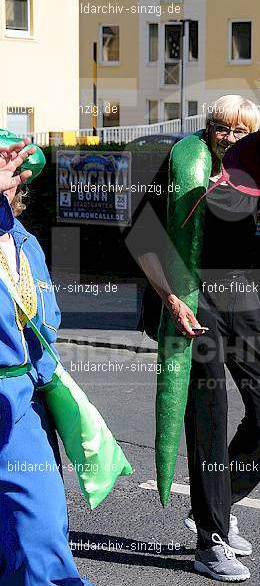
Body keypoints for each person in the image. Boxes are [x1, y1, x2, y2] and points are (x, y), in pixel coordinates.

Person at [137, 96, 260, 582]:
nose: (228, 137)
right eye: (221, 127)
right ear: (208, 127)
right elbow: (144, 241)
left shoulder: (253, 170)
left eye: (240, 131)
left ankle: (220, 501)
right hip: (191, 293)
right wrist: (172, 301)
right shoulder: (183, 163)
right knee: (209, 415)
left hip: (238, 292)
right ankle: (211, 539)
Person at [0, 135, 93, 585]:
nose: (9, 180)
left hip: (19, 402)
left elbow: (46, 322)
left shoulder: (26, 244)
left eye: (15, 173)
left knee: (40, 527)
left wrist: (49, 387)